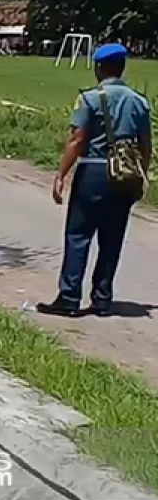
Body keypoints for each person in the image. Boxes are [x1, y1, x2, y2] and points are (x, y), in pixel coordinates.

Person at [39, 43, 152, 318]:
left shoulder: (90, 99)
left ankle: (69, 297)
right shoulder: (139, 101)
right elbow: (147, 145)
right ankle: (102, 299)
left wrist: (60, 174)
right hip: (125, 175)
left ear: (99, 68)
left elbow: (77, 140)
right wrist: (142, 174)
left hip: (93, 171)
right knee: (112, 238)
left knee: (79, 235)